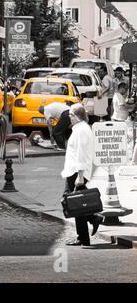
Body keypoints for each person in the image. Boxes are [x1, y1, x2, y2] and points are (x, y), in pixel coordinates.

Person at [62, 104, 103, 246]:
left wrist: (80, 175)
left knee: (71, 202)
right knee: (77, 204)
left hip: (76, 171)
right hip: (75, 171)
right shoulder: (81, 129)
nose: (69, 118)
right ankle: (85, 233)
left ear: (76, 116)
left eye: (70, 115)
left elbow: (81, 153)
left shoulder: (81, 130)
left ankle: (92, 221)